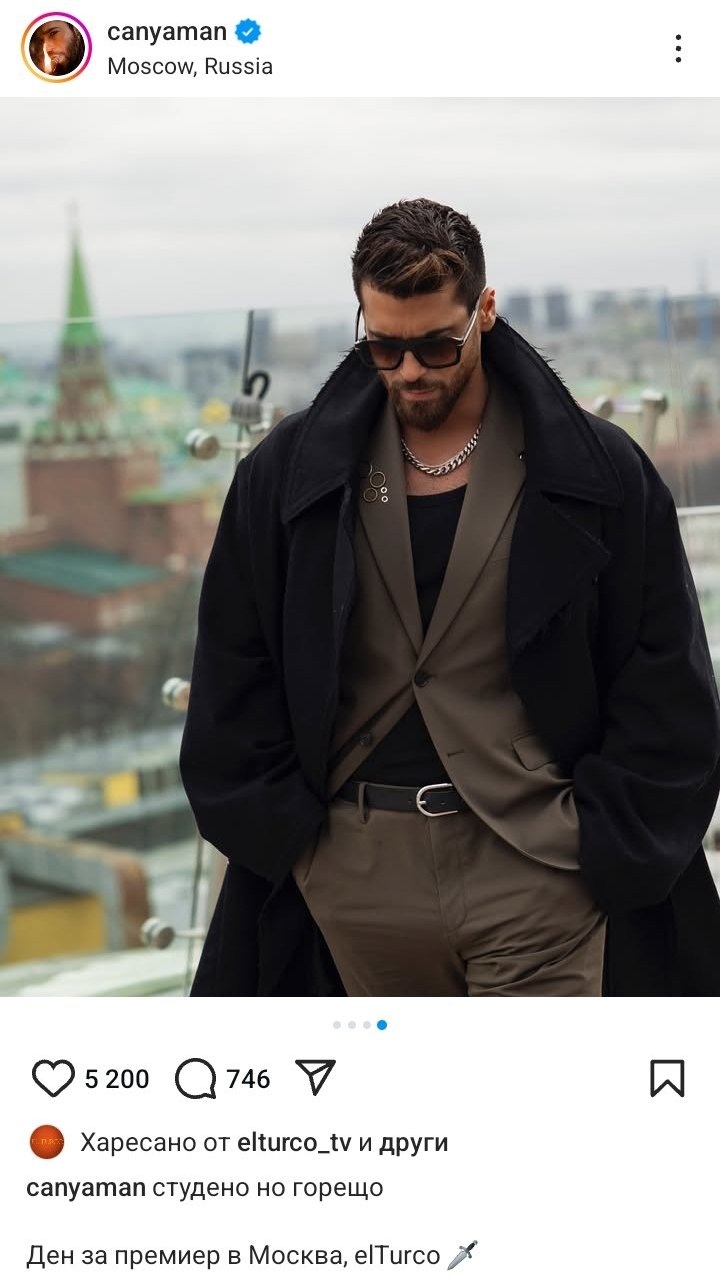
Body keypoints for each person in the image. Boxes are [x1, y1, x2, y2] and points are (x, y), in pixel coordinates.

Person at [180, 197, 720, 997]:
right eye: (383, 347)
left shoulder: (600, 473)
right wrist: (293, 845)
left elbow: (665, 675)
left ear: (485, 311)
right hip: (346, 877)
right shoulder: (286, 476)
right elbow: (235, 664)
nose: (409, 371)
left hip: (540, 870)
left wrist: (601, 845)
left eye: (436, 345)